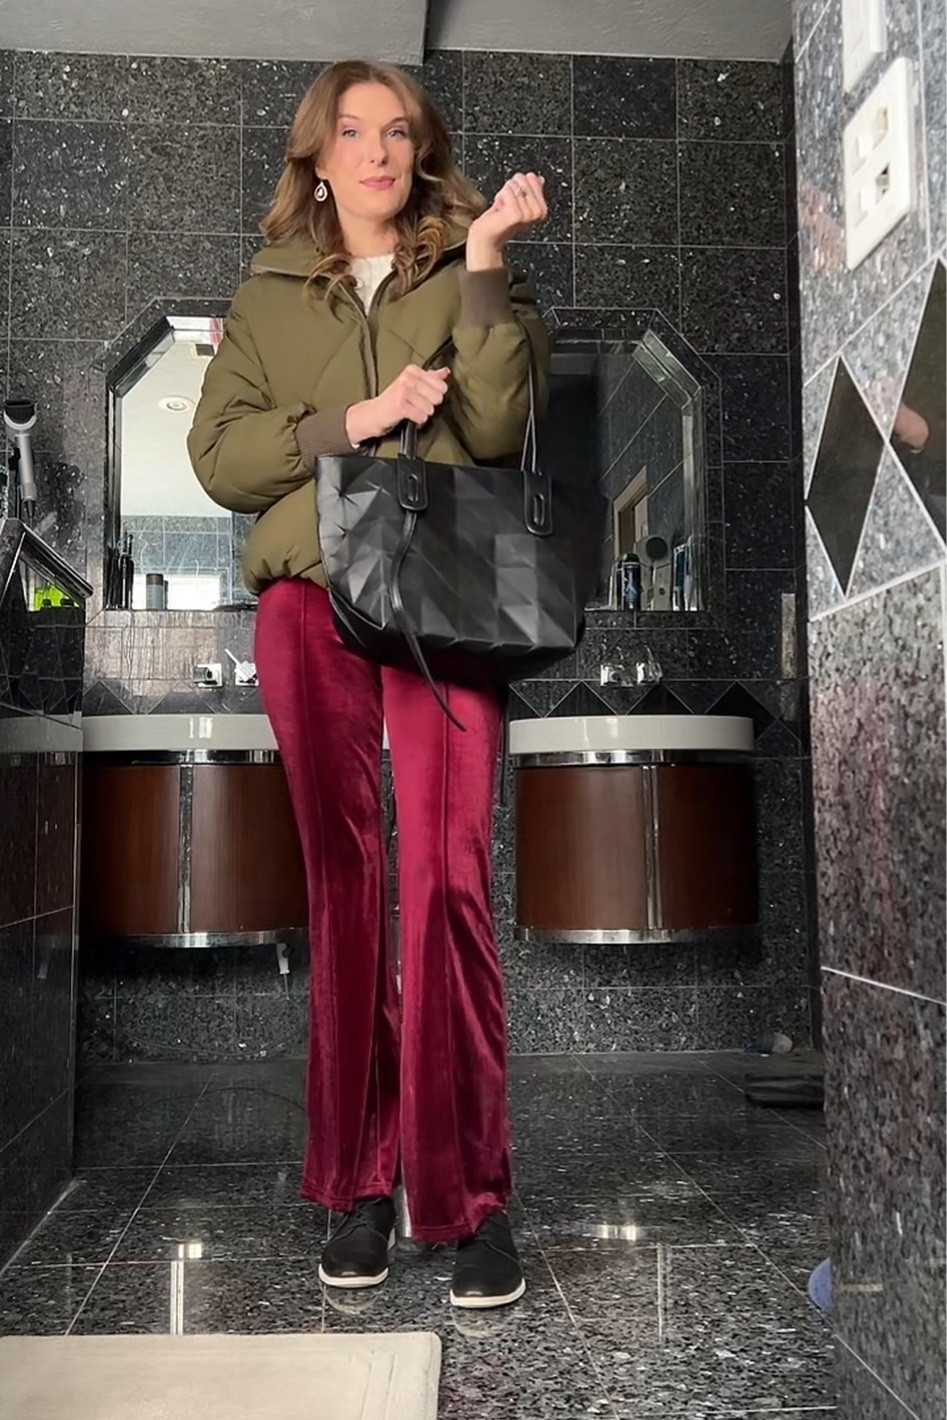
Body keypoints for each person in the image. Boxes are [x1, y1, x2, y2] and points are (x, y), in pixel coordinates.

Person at [187, 59, 550, 1309]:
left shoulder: (472, 270)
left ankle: (470, 1200)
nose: (379, 151)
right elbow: (220, 459)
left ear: (418, 149)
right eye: (354, 132)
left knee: (447, 880)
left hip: (446, 602)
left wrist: (487, 258)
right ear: (319, 155)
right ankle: (356, 1186)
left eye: (398, 131)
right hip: (308, 599)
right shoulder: (267, 294)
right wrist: (358, 414)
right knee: (346, 888)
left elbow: (495, 430)